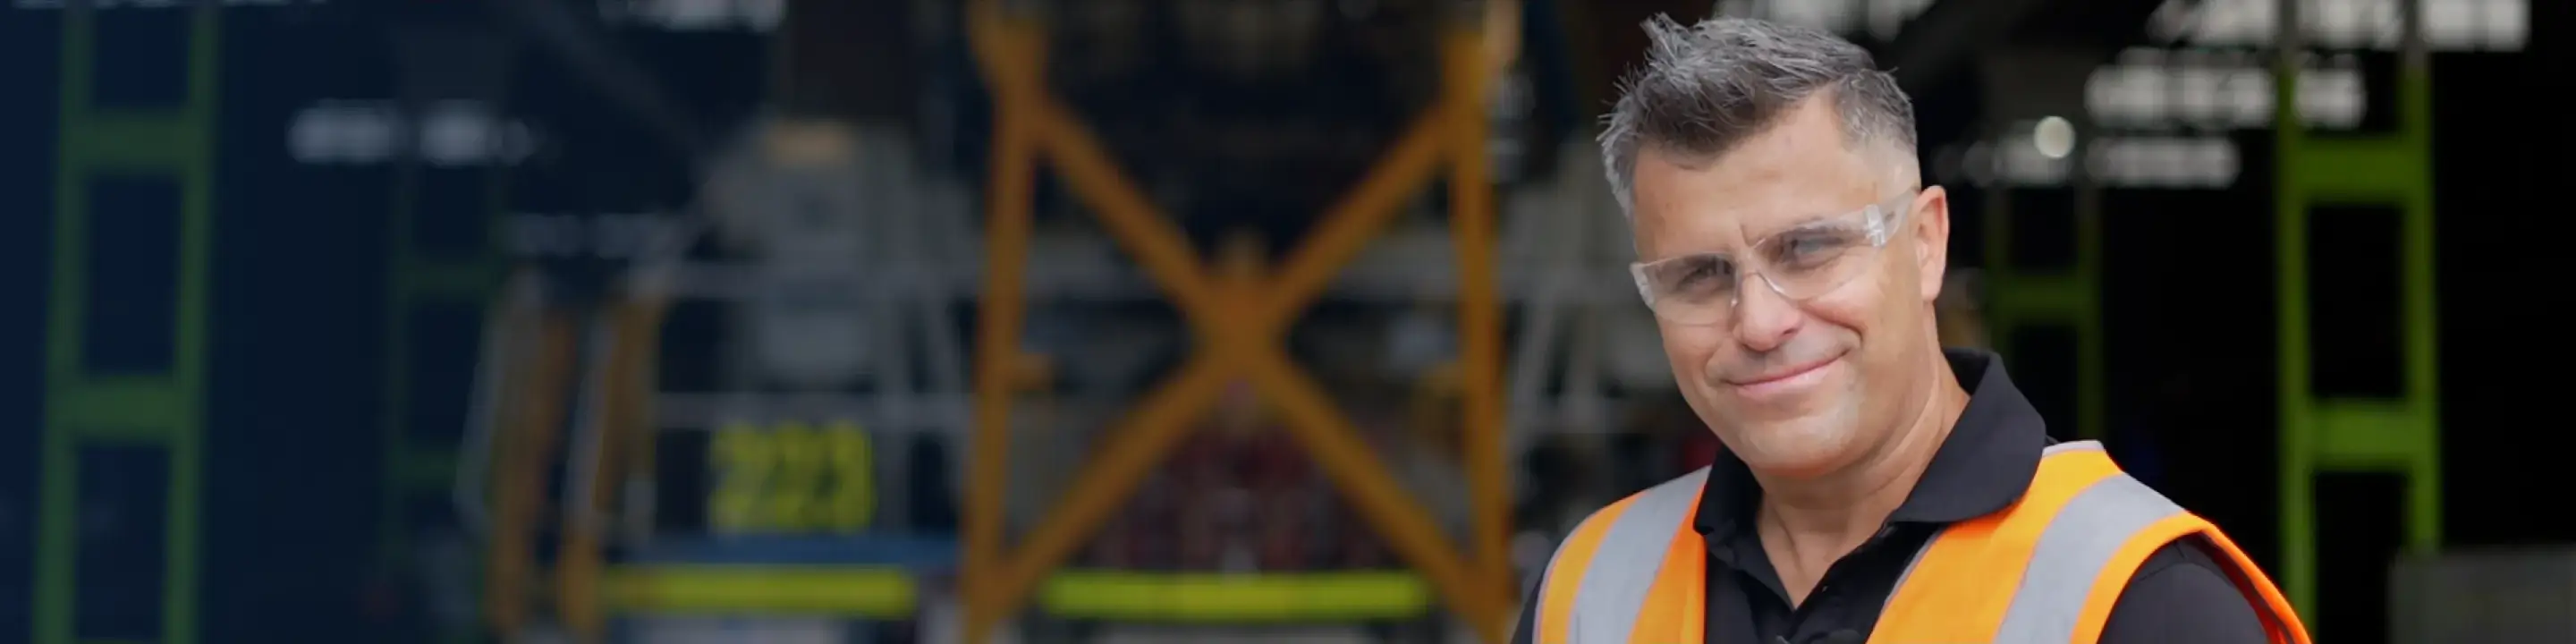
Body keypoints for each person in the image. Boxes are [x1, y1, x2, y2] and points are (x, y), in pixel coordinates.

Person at [1509, 15, 2309, 644]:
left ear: (1926, 244)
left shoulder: (2141, 602)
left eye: (1808, 249)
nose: (1759, 322)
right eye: (1700, 275)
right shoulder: (1592, 594)